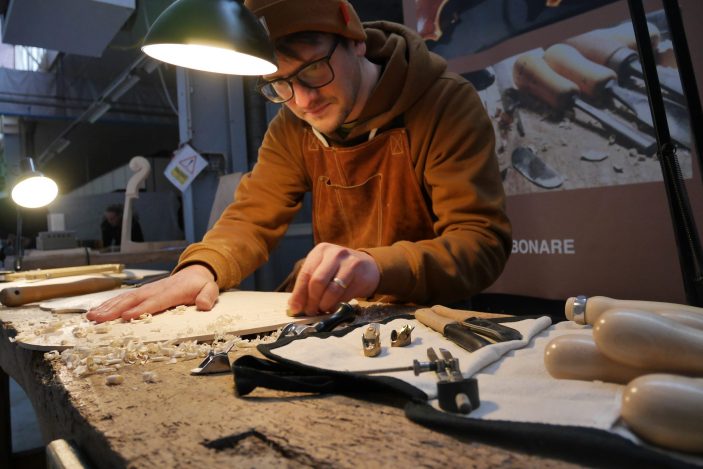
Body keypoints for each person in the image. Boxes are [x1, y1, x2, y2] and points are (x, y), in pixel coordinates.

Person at [87, 0, 511, 324]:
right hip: (337, 316)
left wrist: (376, 267)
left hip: (434, 323)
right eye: (279, 85)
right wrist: (203, 266)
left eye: (313, 72)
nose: (304, 100)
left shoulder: (443, 102)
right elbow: (252, 216)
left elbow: (480, 243)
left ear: (356, 41)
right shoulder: (292, 127)